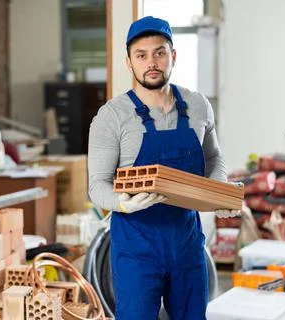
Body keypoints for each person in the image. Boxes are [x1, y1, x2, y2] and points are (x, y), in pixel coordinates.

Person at [88, 16, 239, 320]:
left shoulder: (198, 105)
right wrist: (122, 203)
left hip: (186, 243)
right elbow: (97, 185)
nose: (151, 62)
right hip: (136, 249)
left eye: (159, 52)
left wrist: (219, 194)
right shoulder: (111, 116)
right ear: (129, 63)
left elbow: (214, 158)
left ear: (173, 56)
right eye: (141, 55)